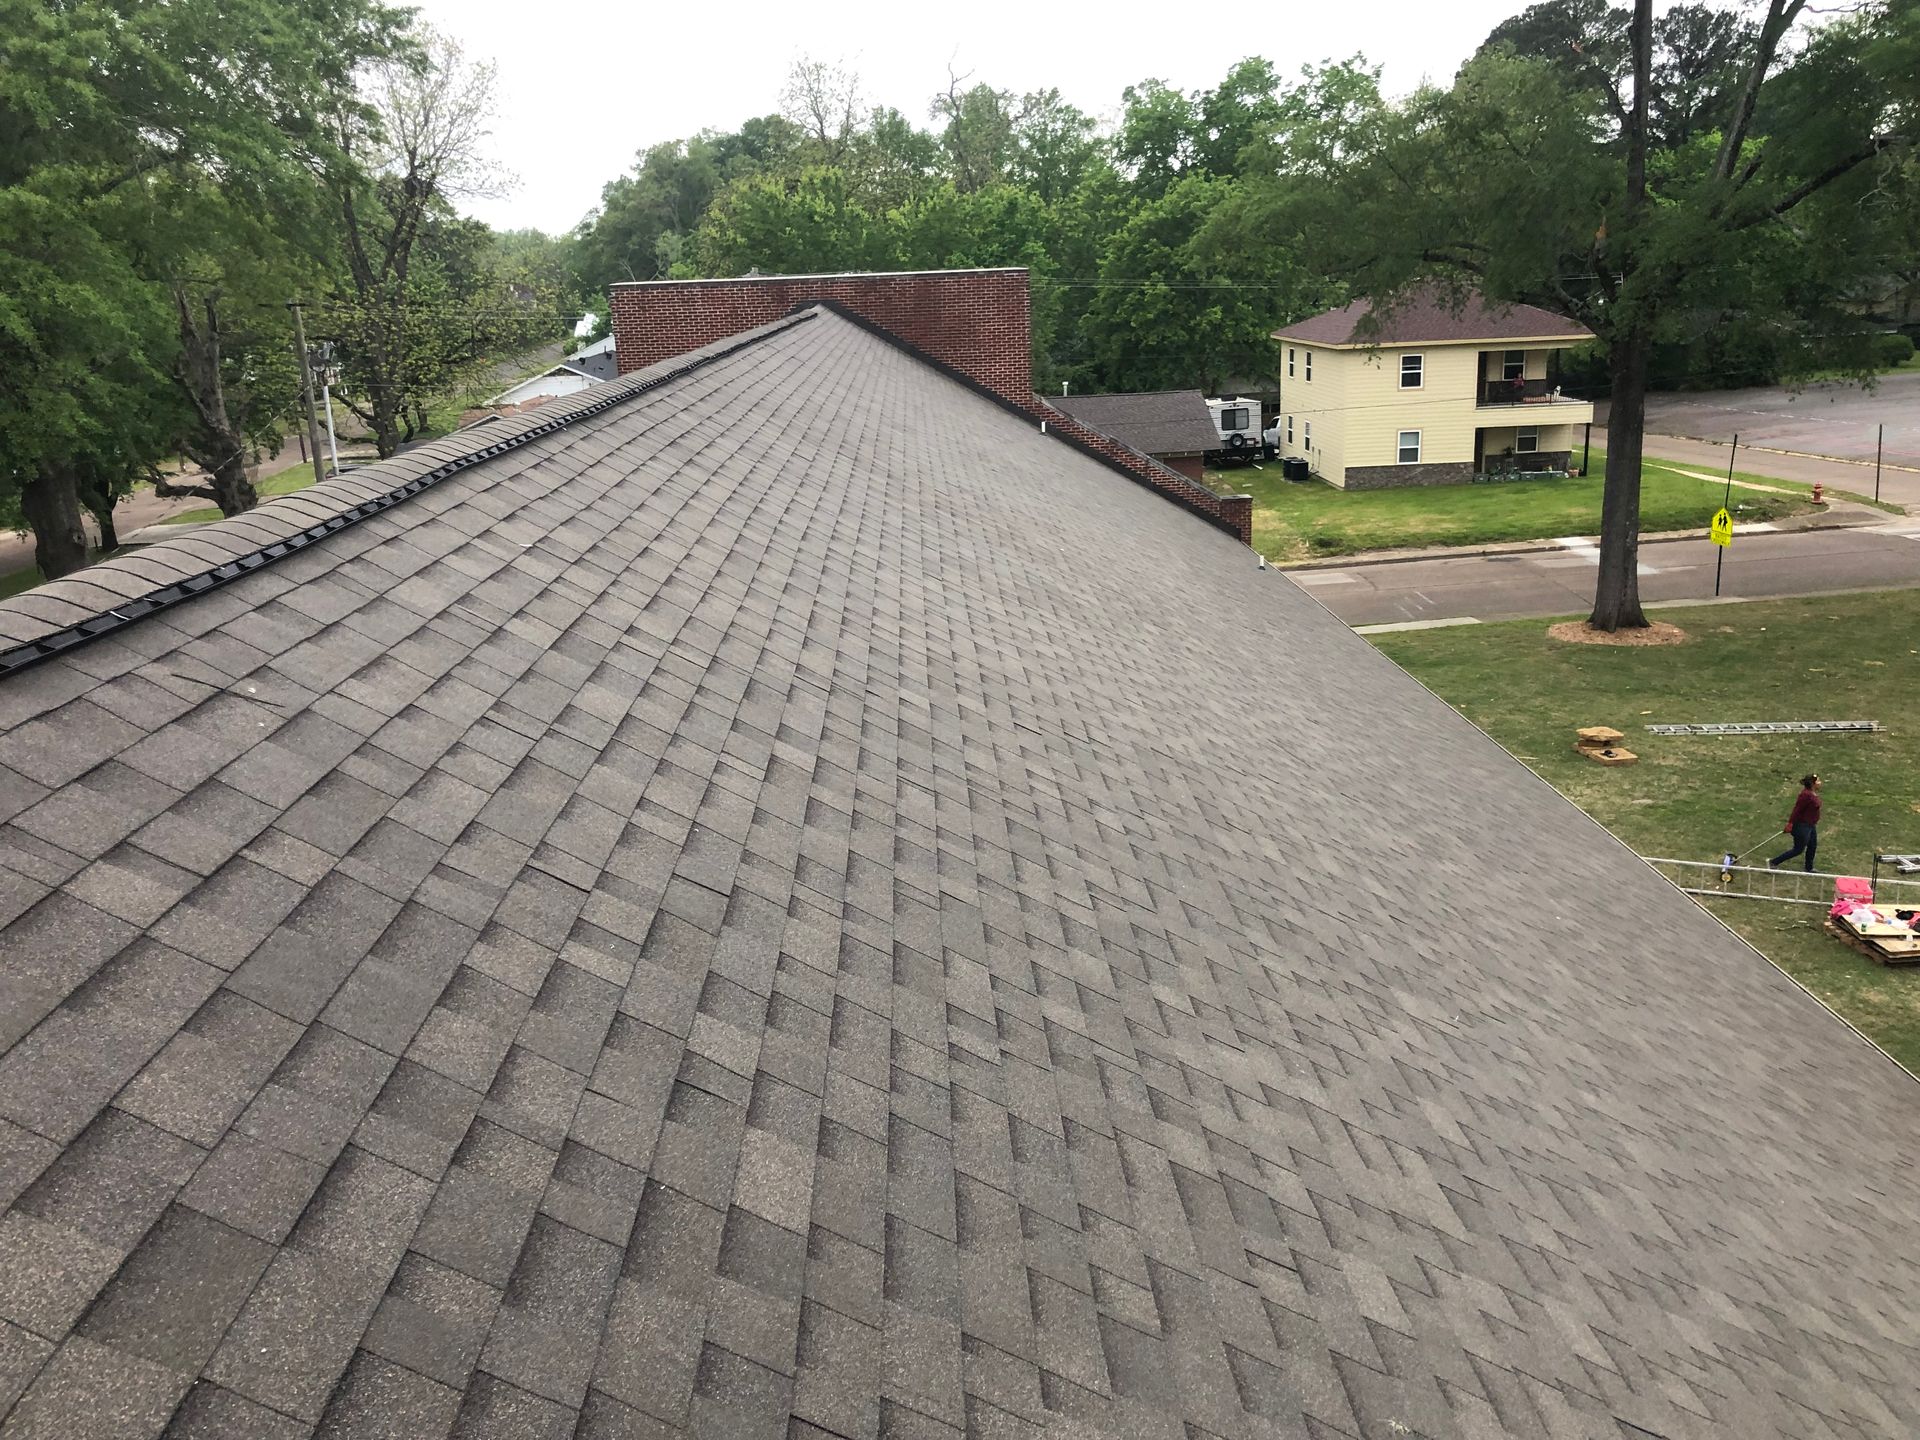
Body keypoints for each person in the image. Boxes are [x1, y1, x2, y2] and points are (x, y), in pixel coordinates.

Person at [1770, 774, 1822, 872]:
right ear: (1812, 784)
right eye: (1818, 781)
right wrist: (1790, 824)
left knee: (1812, 846)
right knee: (1798, 849)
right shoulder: (1805, 795)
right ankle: (1774, 862)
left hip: (1811, 825)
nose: (1820, 783)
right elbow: (1797, 810)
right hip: (1802, 826)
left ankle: (1809, 867)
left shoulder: (1812, 793)